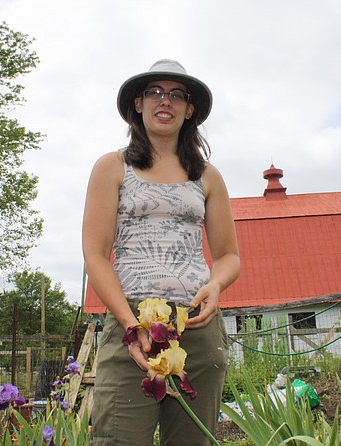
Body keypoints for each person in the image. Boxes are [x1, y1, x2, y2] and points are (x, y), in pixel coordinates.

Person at [82, 59, 240, 446]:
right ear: (138, 104)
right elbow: (96, 254)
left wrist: (216, 285)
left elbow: (228, 256)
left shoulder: (208, 176)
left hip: (197, 329)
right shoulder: (112, 167)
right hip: (132, 324)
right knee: (119, 438)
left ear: (190, 110)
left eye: (176, 95)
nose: (164, 101)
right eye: (155, 92)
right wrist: (131, 325)